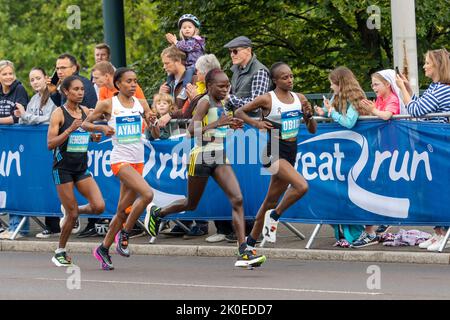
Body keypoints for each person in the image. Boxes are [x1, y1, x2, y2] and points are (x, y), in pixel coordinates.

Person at [145, 69, 266, 268]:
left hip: (219, 155)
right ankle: (158, 213)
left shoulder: (223, 103)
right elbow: (192, 131)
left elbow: (217, 128)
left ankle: (243, 250)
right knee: (191, 204)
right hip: (201, 156)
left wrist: (230, 125)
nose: (226, 89)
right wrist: (219, 122)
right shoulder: (204, 102)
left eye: (227, 85)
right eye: (221, 86)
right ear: (209, 86)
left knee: (237, 199)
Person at [235, 62, 317, 249]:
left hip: (290, 152)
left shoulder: (300, 98)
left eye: (291, 76)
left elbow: (312, 130)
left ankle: (248, 245)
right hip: (273, 152)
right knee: (301, 186)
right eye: (285, 77)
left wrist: (309, 116)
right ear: (275, 80)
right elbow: (239, 112)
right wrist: (257, 124)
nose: (290, 80)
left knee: (269, 201)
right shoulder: (267, 99)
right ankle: (275, 216)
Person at [82, 68, 156, 271]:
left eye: (135, 81)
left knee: (122, 210)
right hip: (120, 160)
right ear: (118, 84)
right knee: (147, 194)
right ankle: (125, 233)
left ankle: (103, 249)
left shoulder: (141, 104)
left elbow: (154, 132)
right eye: (128, 81)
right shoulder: (107, 103)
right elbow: (86, 123)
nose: (133, 85)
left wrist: (152, 121)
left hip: (137, 160)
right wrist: (102, 128)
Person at [47, 75, 106, 266]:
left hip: (81, 167)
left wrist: (93, 137)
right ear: (66, 92)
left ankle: (71, 211)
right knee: (72, 216)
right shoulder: (58, 113)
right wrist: (69, 130)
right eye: (76, 89)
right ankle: (59, 251)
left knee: (98, 207)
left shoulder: (84, 112)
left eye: (82, 89)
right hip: (62, 169)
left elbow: (84, 133)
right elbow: (50, 144)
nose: (80, 92)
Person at [396, 48, 450, 251]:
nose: (424, 66)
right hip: (432, 143)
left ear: (438, 65)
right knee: (431, 187)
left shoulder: (442, 88)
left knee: (438, 187)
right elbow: (419, 105)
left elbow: (415, 110)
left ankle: (444, 232)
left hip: (439, 142)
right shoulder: (434, 87)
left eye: (427, 62)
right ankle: (439, 232)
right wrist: (409, 90)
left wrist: (401, 88)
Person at [314, 66, 369, 247]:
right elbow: (332, 114)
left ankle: (358, 231)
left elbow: (349, 122)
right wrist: (323, 112)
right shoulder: (335, 98)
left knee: (350, 191)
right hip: (338, 152)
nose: (331, 87)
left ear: (341, 83)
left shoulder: (355, 99)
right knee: (337, 192)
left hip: (353, 152)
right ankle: (344, 232)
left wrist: (332, 112)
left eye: (333, 84)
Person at [12, 67, 60, 238]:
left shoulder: (53, 97)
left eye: (38, 78)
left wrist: (25, 116)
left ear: (45, 78)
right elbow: (29, 120)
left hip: (52, 147)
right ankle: (51, 224)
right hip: (37, 150)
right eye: (32, 80)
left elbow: (48, 119)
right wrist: (23, 116)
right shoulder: (33, 99)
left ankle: (55, 224)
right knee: (42, 183)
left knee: (52, 184)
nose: (35, 82)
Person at [0, 60, 30, 240]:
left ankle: (18, 227)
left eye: (11, 73)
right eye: (4, 74)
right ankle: (8, 226)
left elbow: (19, 117)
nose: (8, 77)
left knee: (15, 182)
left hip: (16, 143)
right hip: (2, 143)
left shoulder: (19, 89)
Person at [223, 36, 272, 117]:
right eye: (230, 52)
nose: (232, 55)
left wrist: (229, 98)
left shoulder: (260, 71)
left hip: (254, 124)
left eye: (235, 51)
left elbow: (256, 105)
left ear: (248, 50)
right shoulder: (237, 69)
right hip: (238, 122)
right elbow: (231, 98)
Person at [166, 14, 205, 91]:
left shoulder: (197, 40)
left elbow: (187, 47)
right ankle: (168, 87)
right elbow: (179, 51)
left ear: (195, 29)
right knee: (172, 72)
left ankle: (185, 89)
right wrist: (173, 43)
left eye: (189, 27)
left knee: (189, 72)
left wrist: (175, 41)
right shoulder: (183, 42)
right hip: (187, 65)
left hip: (196, 65)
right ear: (181, 30)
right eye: (184, 27)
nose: (187, 29)